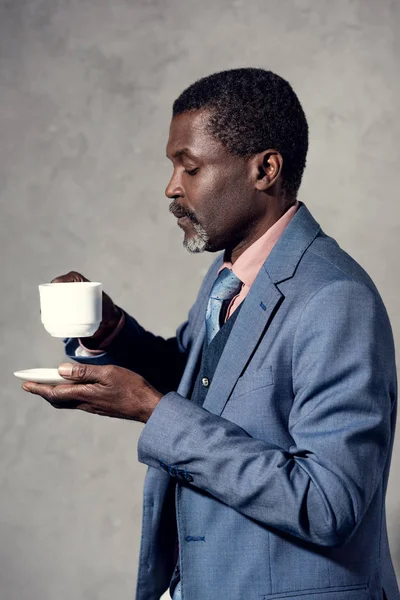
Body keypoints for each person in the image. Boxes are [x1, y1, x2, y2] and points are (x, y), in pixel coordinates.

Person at [22, 68, 399, 600]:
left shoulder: (337, 301)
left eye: (190, 167)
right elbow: (207, 388)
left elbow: (327, 504)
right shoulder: (230, 275)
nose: (171, 188)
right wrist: (113, 332)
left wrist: (153, 412)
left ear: (264, 169)